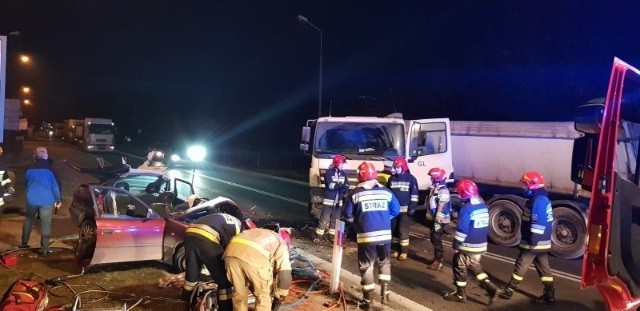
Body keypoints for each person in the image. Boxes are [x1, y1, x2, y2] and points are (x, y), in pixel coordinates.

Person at [343, 162, 400, 310]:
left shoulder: (356, 193)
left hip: (366, 237)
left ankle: (368, 302)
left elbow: (347, 215)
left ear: (360, 176)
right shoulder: (387, 192)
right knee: (385, 263)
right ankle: (385, 296)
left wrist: (359, 222)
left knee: (367, 267)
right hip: (385, 236)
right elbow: (396, 210)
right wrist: (384, 219)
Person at [499, 171, 555, 304]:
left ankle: (509, 291)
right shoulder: (540, 199)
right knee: (544, 268)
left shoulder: (538, 201)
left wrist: (532, 242)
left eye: (525, 184)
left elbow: (538, 224)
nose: (523, 187)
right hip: (541, 243)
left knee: (521, 265)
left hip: (534, 243)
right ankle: (550, 293)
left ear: (533, 185)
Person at [444, 179, 498, 305]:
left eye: (460, 193)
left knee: (459, 266)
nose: (459, 195)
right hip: (480, 245)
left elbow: (462, 229)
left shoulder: (467, 209)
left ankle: (460, 294)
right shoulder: (483, 206)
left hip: (468, 245)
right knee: (474, 266)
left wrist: (456, 244)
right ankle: (491, 288)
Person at [181, 212, 244, 311]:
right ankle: (225, 308)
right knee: (225, 281)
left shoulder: (228, 220)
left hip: (189, 233)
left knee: (191, 277)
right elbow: (228, 252)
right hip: (207, 237)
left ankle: (184, 304)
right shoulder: (238, 230)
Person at [223, 228, 292, 311]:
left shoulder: (256, 232)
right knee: (263, 296)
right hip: (255, 259)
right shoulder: (281, 243)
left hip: (230, 255)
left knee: (239, 293)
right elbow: (285, 274)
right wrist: (280, 296)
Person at [20, 147, 62, 256]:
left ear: (35, 156)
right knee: (46, 223)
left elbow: (24, 184)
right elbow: (55, 187)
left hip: (32, 200)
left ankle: (24, 242)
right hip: (47, 201)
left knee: (29, 219)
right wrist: (58, 200)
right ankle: (44, 248)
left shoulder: (28, 168)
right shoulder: (51, 169)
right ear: (46, 155)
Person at [386, 157, 418, 261]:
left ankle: (404, 252)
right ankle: (395, 250)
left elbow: (414, 195)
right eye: (395, 167)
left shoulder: (411, 179)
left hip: (405, 212)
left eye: (398, 167)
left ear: (403, 167)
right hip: (393, 211)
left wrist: (412, 207)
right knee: (393, 231)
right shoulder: (391, 179)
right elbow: (388, 194)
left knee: (402, 231)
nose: (396, 169)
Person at [314, 155, 349, 244]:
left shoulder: (344, 174)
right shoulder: (329, 173)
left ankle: (332, 236)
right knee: (324, 219)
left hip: (338, 201)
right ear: (337, 164)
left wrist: (341, 187)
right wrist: (341, 186)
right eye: (342, 164)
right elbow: (330, 185)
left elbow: (346, 185)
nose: (343, 165)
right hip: (329, 200)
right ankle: (318, 236)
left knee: (335, 220)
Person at [425, 167, 453, 271]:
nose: (430, 179)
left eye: (432, 177)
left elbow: (442, 206)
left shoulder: (443, 191)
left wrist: (438, 220)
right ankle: (436, 258)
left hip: (439, 220)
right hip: (435, 219)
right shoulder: (435, 189)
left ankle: (438, 261)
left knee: (436, 239)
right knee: (434, 238)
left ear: (436, 178)